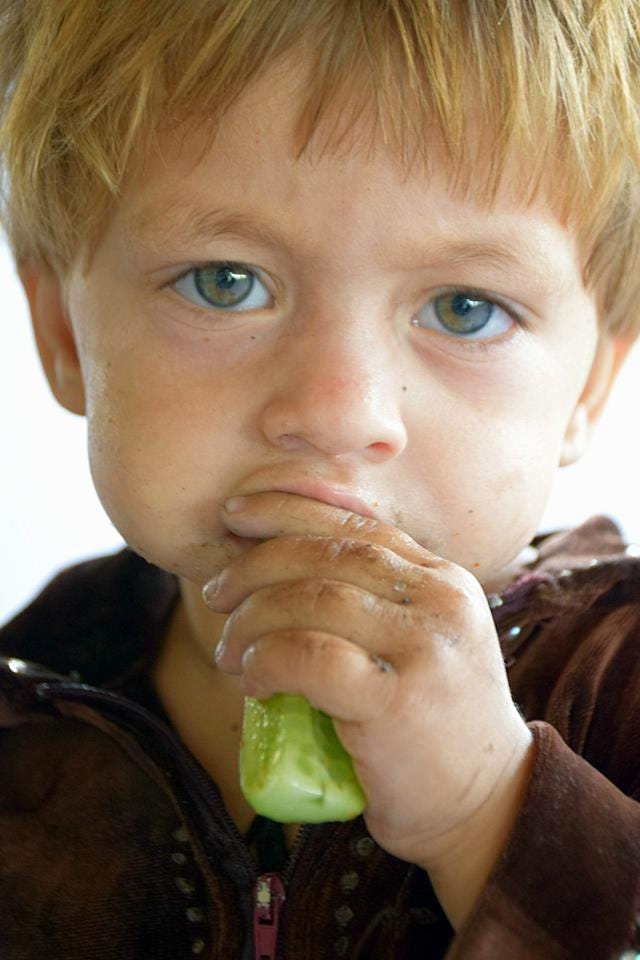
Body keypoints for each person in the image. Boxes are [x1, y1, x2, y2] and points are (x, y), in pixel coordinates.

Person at [1, 1, 639, 957]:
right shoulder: (26, 712)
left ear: (589, 385)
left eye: (465, 308)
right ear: (61, 333)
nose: (341, 410)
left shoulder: (619, 681)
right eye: (225, 281)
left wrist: (489, 813)